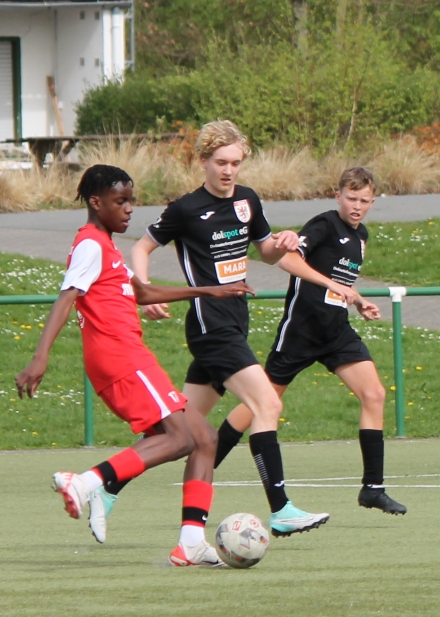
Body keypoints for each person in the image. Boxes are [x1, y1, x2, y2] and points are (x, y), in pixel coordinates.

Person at [16, 164, 252, 566]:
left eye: (131, 200)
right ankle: (86, 481)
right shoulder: (90, 243)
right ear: (96, 203)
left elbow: (140, 292)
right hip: (121, 356)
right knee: (179, 439)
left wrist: (208, 290)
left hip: (127, 356)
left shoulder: (106, 246)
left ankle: (191, 542)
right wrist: (40, 357)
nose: (129, 209)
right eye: (120, 201)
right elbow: (66, 297)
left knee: (205, 439)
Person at [120, 120, 331, 537]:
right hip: (210, 329)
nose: (229, 170)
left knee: (178, 432)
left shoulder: (248, 201)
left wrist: (285, 242)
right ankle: (281, 509)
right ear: (203, 161)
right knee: (267, 405)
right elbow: (141, 246)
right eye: (220, 162)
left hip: (234, 324)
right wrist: (145, 291)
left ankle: (105, 484)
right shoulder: (186, 208)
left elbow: (267, 253)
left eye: (235, 162)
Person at [245, 166, 409, 515]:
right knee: (257, 406)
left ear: (372, 202)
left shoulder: (361, 234)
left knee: (374, 393)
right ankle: (210, 455)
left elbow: (338, 279)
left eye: (364, 200)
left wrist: (358, 298)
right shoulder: (323, 224)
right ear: (337, 196)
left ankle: (373, 488)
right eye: (351, 198)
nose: (357, 206)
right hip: (301, 332)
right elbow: (288, 260)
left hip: (336, 332)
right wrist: (333, 286)